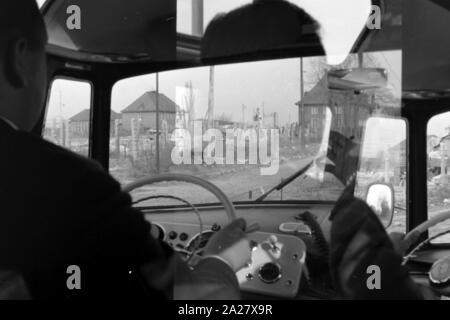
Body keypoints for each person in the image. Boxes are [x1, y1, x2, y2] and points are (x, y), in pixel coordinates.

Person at [0, 1, 252, 300]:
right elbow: (201, 300)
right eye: (43, 59)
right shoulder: (67, 184)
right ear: (20, 59)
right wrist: (221, 258)